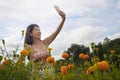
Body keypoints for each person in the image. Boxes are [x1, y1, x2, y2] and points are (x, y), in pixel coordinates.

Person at [24, 7, 66, 79]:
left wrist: (63, 19)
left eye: (39, 30)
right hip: (37, 76)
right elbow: (19, 61)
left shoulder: (45, 42)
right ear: (30, 33)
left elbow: (56, 32)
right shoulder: (29, 47)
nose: (39, 31)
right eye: (36, 30)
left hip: (50, 74)